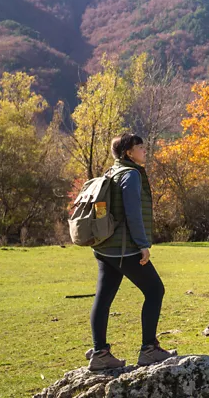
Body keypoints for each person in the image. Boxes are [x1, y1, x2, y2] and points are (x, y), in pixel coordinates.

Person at [86, 133, 176, 370]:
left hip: (105, 248)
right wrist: (143, 245)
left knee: (103, 298)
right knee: (155, 290)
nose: (144, 151)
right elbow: (133, 213)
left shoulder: (111, 172)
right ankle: (149, 349)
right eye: (140, 147)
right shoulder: (131, 175)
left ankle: (100, 353)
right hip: (125, 249)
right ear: (128, 152)